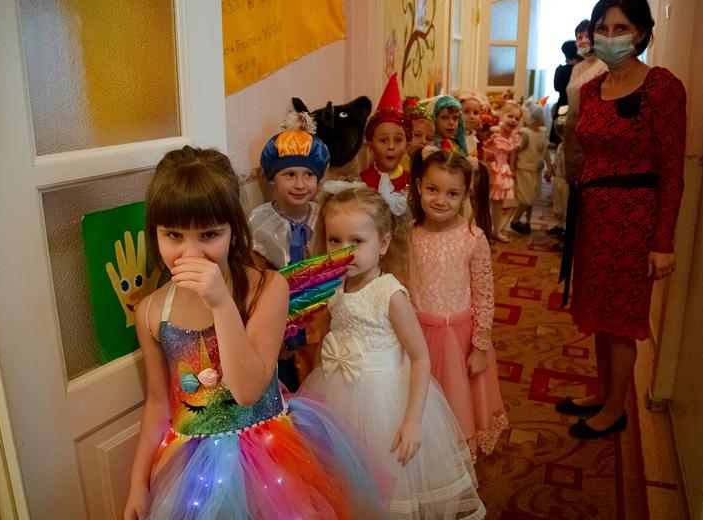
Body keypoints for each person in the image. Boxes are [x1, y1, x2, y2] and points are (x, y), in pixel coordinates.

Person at [123, 147, 388, 519]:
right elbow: (157, 401)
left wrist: (220, 304)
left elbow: (247, 390)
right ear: (155, 234)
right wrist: (138, 482)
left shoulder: (267, 289)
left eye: (209, 233)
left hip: (269, 456)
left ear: (234, 231)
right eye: (174, 235)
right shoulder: (151, 311)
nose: (190, 252)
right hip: (191, 467)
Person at [299, 187, 485, 519]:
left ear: (383, 244)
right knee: (343, 473)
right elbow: (330, 343)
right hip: (336, 394)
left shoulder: (389, 293)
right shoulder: (335, 286)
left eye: (357, 242)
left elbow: (420, 357)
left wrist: (412, 421)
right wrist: (313, 402)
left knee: (384, 480)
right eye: (335, 240)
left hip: (383, 401)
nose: (344, 251)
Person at [557, 0, 686, 439]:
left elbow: (673, 170)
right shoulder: (591, 90)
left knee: (621, 320)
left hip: (635, 220)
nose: (609, 37)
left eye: (620, 29)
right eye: (602, 29)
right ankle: (600, 392)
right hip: (594, 214)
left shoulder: (662, 88)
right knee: (597, 312)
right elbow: (581, 148)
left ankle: (616, 408)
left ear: (642, 33)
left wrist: (663, 240)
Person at [408, 148, 506, 459]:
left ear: (466, 194)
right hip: (418, 335)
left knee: (457, 400)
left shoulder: (472, 238)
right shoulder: (409, 234)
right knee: (421, 401)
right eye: (432, 190)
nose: (440, 200)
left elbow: (484, 295)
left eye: (452, 193)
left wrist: (479, 346)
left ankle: (455, 457)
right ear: (419, 185)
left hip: (458, 339)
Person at [249, 116, 330, 391]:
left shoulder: (324, 217)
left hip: (319, 319)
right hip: (278, 317)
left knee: (316, 381)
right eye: (289, 174)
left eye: (309, 175)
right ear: (272, 178)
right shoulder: (260, 222)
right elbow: (256, 276)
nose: (300, 184)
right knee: (282, 383)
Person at [562, 19, 608, 186]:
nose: (582, 40)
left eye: (586, 36)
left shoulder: (604, 66)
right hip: (571, 130)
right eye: (578, 37)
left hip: (592, 132)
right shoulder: (577, 68)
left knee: (588, 183)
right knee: (573, 186)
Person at [361, 73, 411, 193]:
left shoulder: (412, 182)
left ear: (407, 147)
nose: (391, 147)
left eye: (398, 140)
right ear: (370, 146)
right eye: (383, 140)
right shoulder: (362, 181)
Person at [483, 100, 522, 242]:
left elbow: (512, 155)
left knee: (499, 204)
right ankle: (483, 231)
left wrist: (513, 171)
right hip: (490, 170)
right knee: (485, 204)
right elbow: (483, 148)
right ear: (501, 116)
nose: (513, 120)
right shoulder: (493, 133)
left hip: (503, 171)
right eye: (510, 116)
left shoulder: (514, 137)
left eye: (517, 118)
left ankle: (496, 231)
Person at [510, 101, 549, 235]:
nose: (544, 117)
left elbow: (545, 151)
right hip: (524, 170)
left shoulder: (543, 132)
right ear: (536, 117)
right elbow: (514, 151)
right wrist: (513, 169)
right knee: (526, 198)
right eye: (542, 115)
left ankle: (527, 221)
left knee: (532, 197)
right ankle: (515, 221)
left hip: (536, 170)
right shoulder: (525, 133)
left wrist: (549, 167)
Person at [457, 89, 489, 159]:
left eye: (476, 113)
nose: (471, 116)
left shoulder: (475, 135)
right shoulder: (454, 136)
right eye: (466, 111)